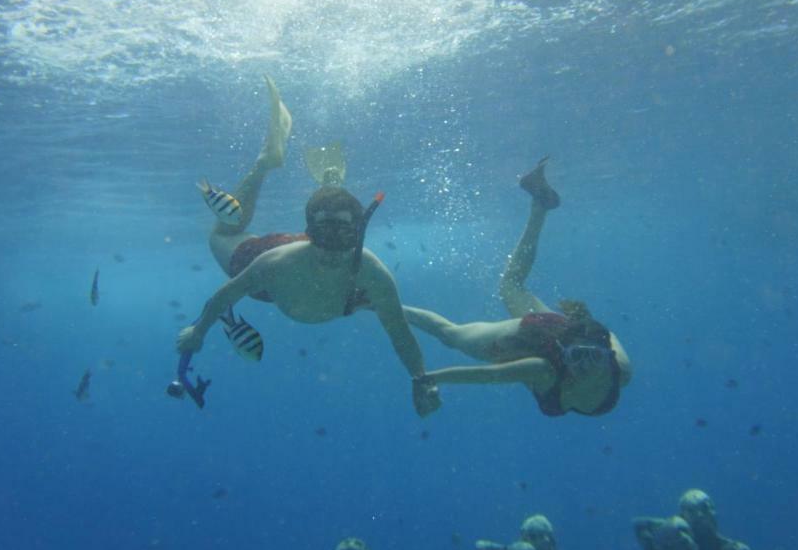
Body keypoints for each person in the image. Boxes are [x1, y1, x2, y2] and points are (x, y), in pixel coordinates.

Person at [175, 77, 441, 413]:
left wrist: (421, 379)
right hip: (273, 263)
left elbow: (400, 333)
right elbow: (227, 294)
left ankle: (327, 189)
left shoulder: (371, 274)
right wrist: (198, 331)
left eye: (342, 234)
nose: (331, 249)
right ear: (309, 232)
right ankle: (264, 164)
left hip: (321, 281)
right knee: (222, 235)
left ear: (357, 236)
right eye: (324, 235)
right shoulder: (273, 263)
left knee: (368, 297)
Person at [404, 157, 631, 417]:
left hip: (563, 326)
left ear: (608, 359)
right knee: (451, 335)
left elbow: (491, 375)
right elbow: (491, 374)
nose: (586, 368)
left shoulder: (620, 371)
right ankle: (378, 303)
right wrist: (427, 379)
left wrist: (584, 325)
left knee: (510, 286)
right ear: (565, 356)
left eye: (595, 357)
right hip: (534, 332)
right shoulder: (546, 369)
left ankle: (540, 203)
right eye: (579, 356)